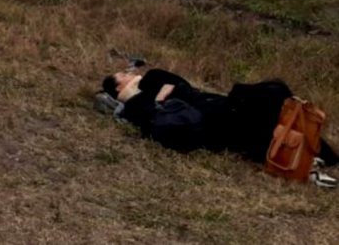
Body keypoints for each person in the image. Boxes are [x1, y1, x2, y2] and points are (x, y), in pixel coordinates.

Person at [102, 68, 338, 186]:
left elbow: (179, 87)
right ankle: (316, 159)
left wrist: (163, 96)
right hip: (211, 116)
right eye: (123, 73)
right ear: (119, 85)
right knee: (274, 93)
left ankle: (314, 158)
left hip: (214, 113)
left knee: (273, 109)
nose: (130, 71)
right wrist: (160, 96)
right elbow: (177, 91)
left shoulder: (143, 92)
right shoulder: (139, 95)